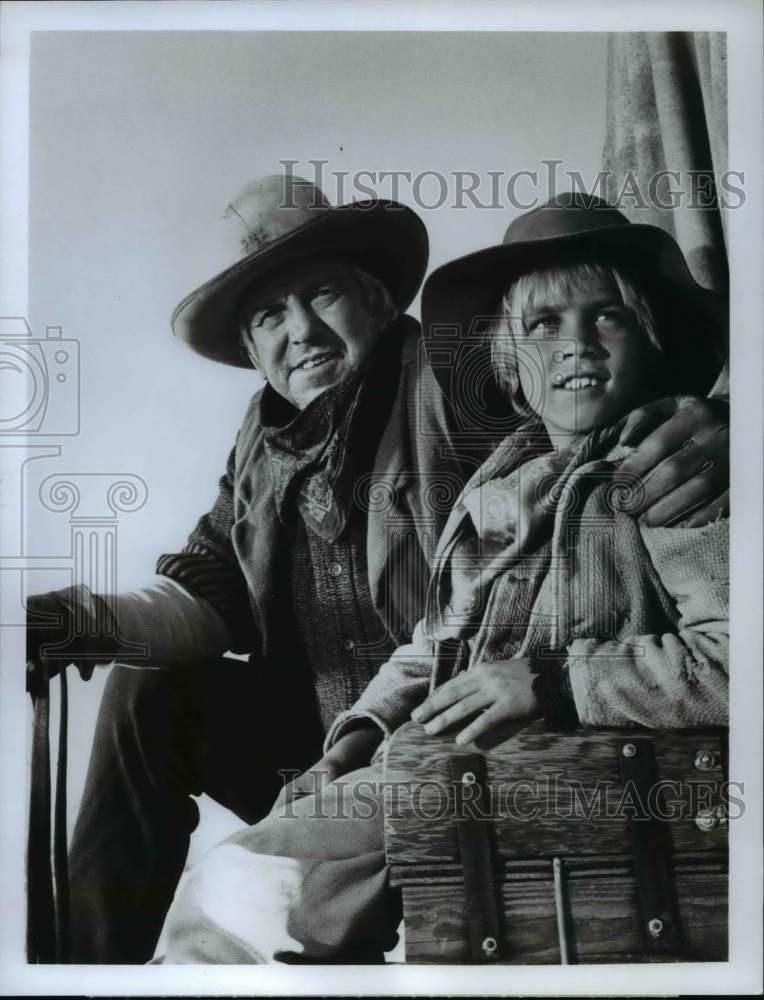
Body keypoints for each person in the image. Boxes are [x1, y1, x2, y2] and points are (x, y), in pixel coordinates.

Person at [25, 183, 729, 964]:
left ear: (379, 298)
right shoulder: (259, 451)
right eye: (269, 318)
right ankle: (85, 969)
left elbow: (580, 380)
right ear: (253, 354)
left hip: (506, 738)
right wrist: (82, 618)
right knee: (145, 691)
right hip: (358, 738)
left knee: (266, 890)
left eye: (321, 293)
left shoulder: (457, 377)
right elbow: (205, 589)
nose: (302, 332)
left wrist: (717, 421)